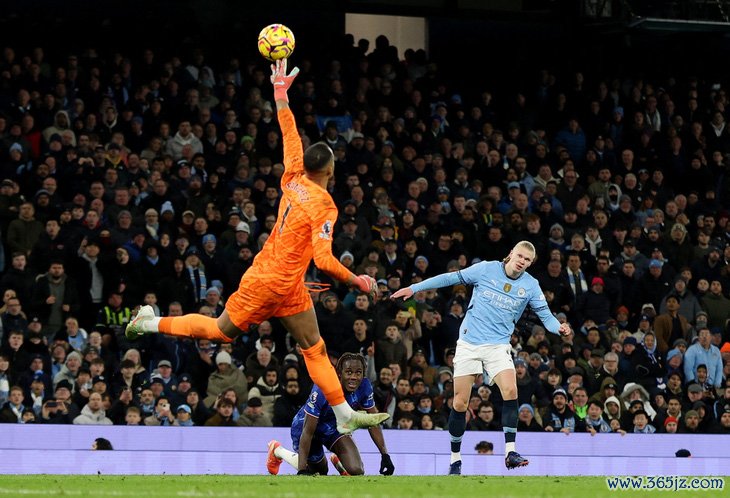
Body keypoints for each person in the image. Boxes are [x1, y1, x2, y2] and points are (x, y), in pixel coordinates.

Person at [124, 59, 387, 434]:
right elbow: (325, 260)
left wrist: (281, 93)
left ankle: (343, 414)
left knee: (315, 346)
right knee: (219, 332)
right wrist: (359, 281)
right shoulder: (324, 203)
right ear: (330, 170)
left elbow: (289, 133)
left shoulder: (293, 176)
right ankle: (148, 322)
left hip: (288, 283)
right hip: (267, 282)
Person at [391, 241, 571, 473]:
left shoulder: (531, 285)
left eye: (527, 260)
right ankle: (455, 458)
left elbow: (546, 316)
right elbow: (449, 278)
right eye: (519, 256)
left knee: (511, 390)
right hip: (469, 343)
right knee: (460, 402)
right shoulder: (486, 269)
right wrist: (414, 289)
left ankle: (510, 453)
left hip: (498, 346)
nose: (522, 261)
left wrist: (559, 328)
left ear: (530, 263)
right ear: (510, 254)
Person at [266, 353, 394, 476]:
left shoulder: (365, 387)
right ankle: (278, 450)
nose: (354, 377)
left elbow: (372, 421)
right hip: (307, 427)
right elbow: (308, 431)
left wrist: (385, 455)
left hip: (334, 426)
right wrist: (301, 470)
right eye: (349, 372)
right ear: (339, 374)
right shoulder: (323, 388)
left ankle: (339, 463)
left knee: (357, 470)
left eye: (358, 372)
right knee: (320, 472)